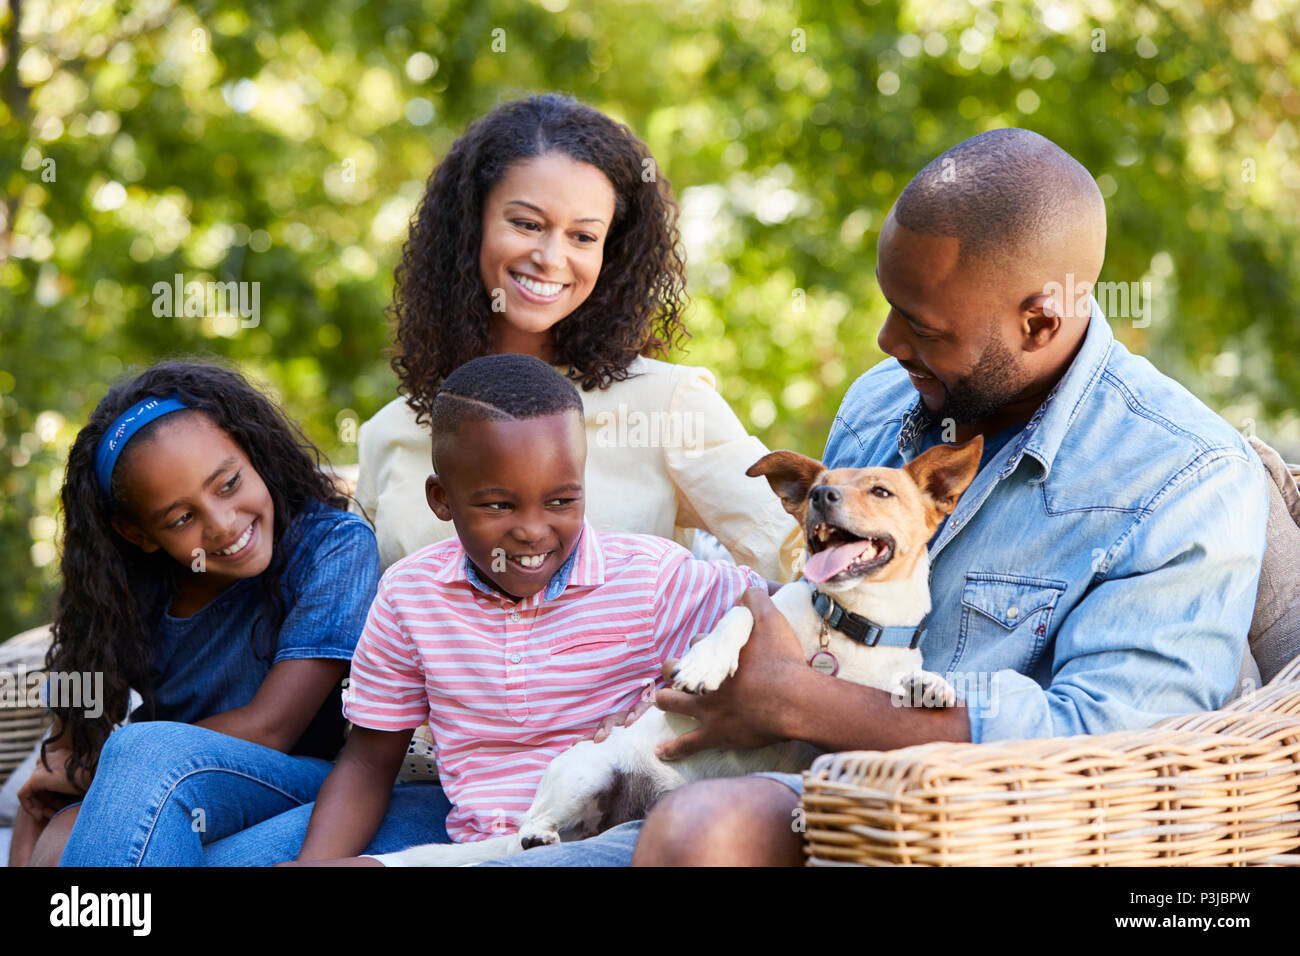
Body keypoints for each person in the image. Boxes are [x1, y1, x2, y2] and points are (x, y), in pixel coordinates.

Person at [476, 127, 1270, 867]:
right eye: (890, 305)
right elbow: (811, 593)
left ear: (1039, 320)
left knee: (698, 832)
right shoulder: (885, 401)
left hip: (983, 819)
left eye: (921, 325)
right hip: (785, 772)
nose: (889, 343)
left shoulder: (1183, 477)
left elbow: (1111, 742)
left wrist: (801, 705)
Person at [212, 354, 766, 865]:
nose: (531, 529)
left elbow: (765, 604)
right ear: (442, 500)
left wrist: (681, 699)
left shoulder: (648, 578)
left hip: (613, 836)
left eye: (561, 500)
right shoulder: (411, 597)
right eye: (498, 505)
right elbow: (366, 763)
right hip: (477, 848)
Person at [355, 92, 801, 582]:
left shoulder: (668, 405)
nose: (550, 257)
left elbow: (800, 555)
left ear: (611, 251)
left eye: (583, 236)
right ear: (470, 226)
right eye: (527, 224)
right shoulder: (388, 433)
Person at [10, 361, 379, 867]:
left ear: (252, 451)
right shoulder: (122, 596)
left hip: (297, 785)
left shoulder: (330, 547)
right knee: (63, 841)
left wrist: (108, 768)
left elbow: (274, 728)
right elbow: (59, 768)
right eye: (182, 518)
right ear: (139, 534)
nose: (223, 526)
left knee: (140, 757)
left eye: (227, 484)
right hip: (162, 792)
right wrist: (43, 809)